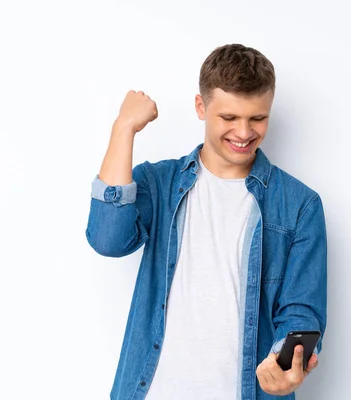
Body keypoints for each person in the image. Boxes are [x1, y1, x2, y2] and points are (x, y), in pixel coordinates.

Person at [86, 43, 327, 400]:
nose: (244, 133)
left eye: (257, 118)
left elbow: (301, 311)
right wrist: (124, 128)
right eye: (229, 118)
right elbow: (108, 239)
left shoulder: (299, 205)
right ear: (201, 107)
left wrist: (287, 365)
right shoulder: (160, 182)